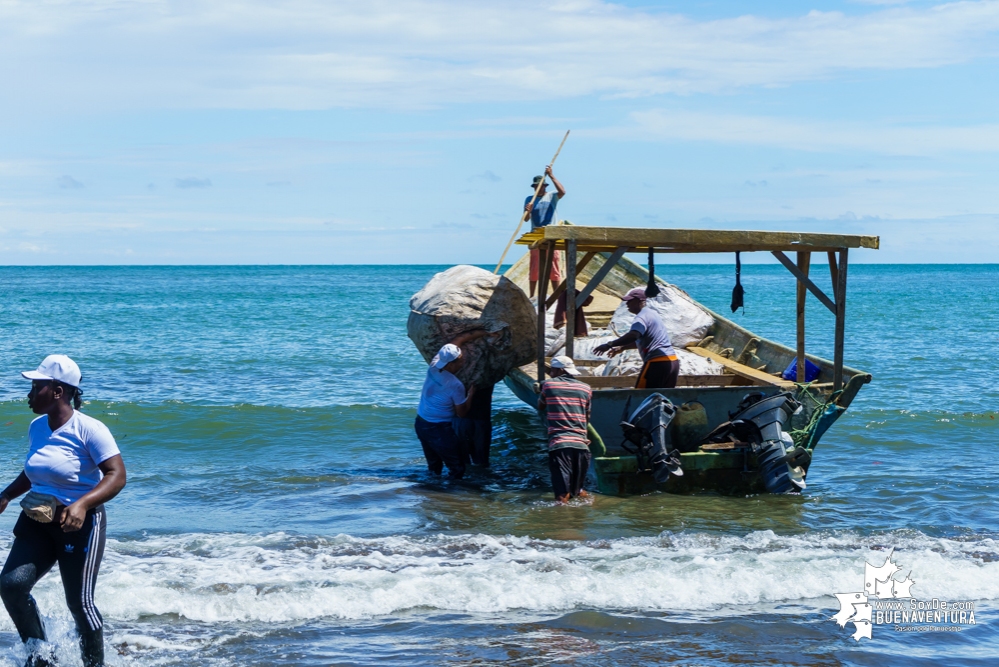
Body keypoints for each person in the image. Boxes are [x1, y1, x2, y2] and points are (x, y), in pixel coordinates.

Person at [0, 355, 127, 667]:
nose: (29, 394)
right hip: (37, 521)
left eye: (35, 387)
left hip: (80, 526)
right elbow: (36, 472)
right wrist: (5, 495)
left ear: (57, 391)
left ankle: (94, 665)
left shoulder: (90, 430)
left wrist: (83, 504)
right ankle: (42, 658)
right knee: (11, 586)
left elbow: (116, 475)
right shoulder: (36, 427)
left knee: (79, 603)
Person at [415, 331, 494, 479]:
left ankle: (432, 494)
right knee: (457, 468)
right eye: (461, 358)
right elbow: (462, 413)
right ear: (455, 362)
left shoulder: (434, 366)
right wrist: (471, 394)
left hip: (421, 423)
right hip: (438, 429)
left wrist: (485, 332)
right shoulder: (454, 384)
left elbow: (459, 339)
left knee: (434, 466)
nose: (463, 360)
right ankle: (452, 497)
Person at [593, 287, 680, 389]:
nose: (627, 304)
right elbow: (644, 339)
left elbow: (634, 335)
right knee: (665, 398)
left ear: (640, 301)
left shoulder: (641, 317)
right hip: (672, 362)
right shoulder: (653, 314)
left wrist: (609, 344)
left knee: (644, 397)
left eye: (630, 301)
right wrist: (622, 348)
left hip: (657, 363)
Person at [537, 356, 593, 503]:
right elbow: (587, 416)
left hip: (560, 445)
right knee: (578, 491)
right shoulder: (586, 388)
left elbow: (540, 406)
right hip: (582, 446)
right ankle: (585, 518)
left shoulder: (548, 385)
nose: (551, 374)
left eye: (552, 371)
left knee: (562, 495)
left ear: (559, 370)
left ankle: (562, 523)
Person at [525, 165, 567, 298]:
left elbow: (563, 192)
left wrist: (551, 175)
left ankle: (556, 296)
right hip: (535, 236)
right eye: (536, 186)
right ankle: (532, 296)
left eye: (541, 186)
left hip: (551, 235)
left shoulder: (552, 196)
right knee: (534, 269)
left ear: (544, 186)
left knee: (553, 268)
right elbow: (526, 219)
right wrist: (528, 210)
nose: (539, 188)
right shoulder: (529, 199)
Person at [453, 383, 493, 468]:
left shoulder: (453, 373)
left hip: (460, 417)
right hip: (481, 417)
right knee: (482, 461)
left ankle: (463, 479)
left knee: (461, 461)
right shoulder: (488, 372)